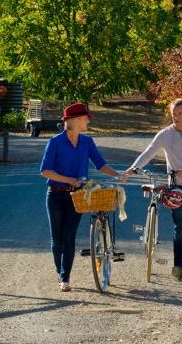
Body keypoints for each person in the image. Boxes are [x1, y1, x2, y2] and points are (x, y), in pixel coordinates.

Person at [38, 103, 124, 291]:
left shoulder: (87, 142)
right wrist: (68, 179)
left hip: (78, 196)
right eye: (85, 118)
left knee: (69, 236)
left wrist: (118, 175)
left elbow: (100, 164)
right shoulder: (55, 142)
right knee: (57, 238)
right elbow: (45, 171)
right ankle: (59, 271)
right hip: (55, 194)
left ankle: (64, 278)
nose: (88, 120)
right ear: (76, 120)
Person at [124, 98, 182, 281]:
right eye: (173, 114)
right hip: (176, 188)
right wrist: (134, 168)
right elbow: (149, 152)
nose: (176, 117)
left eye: (180, 114)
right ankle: (178, 265)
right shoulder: (165, 134)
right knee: (180, 227)